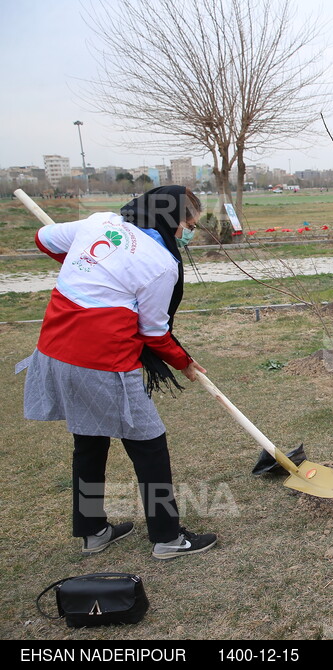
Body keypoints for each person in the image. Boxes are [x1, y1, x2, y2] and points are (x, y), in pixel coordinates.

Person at [18, 186, 218, 560]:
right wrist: (183, 362)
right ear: (171, 219)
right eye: (187, 224)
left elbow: (44, 239)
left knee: (90, 440)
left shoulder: (101, 221)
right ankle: (167, 538)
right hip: (101, 360)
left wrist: (90, 261)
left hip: (54, 348)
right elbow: (154, 330)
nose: (187, 232)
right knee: (149, 446)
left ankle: (93, 530)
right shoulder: (160, 262)